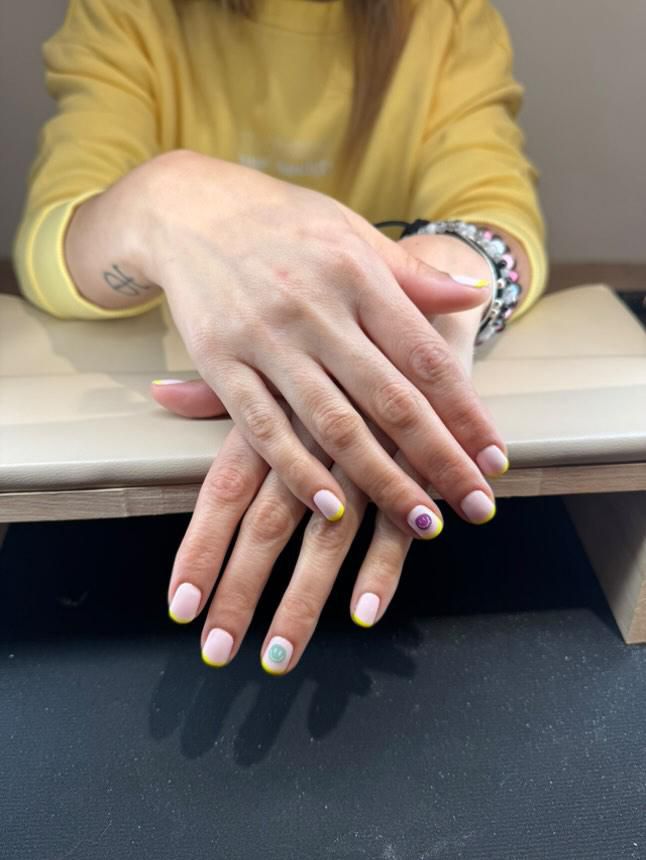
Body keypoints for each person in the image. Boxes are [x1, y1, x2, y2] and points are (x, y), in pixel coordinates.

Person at [14, 0, 547, 675]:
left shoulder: (448, 17)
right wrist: (161, 199)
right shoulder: (129, 12)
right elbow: (52, 247)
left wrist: (435, 282)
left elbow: (502, 214)